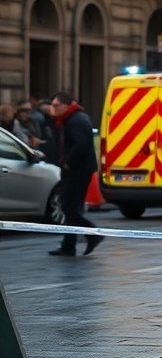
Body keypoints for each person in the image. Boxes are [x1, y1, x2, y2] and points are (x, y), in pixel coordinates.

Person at [47, 91, 105, 257]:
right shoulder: (68, 119)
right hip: (74, 169)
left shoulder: (77, 120)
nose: (53, 108)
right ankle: (69, 245)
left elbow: (81, 144)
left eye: (56, 105)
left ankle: (92, 234)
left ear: (66, 105)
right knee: (70, 206)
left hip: (78, 170)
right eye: (52, 105)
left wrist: (68, 161)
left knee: (68, 205)